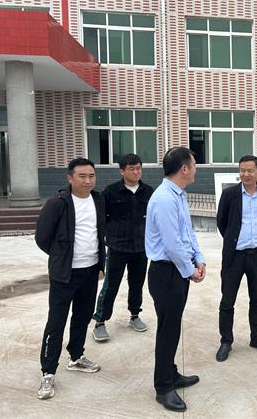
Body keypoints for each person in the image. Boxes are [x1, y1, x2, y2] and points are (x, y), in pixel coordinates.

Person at [35, 158, 106, 400]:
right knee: (56, 322)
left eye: (91, 176)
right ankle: (48, 372)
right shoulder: (58, 203)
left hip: (90, 271)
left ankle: (76, 356)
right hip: (64, 274)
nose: (87, 181)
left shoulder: (98, 200)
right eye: (82, 176)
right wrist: (61, 257)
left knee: (82, 316)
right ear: (69, 178)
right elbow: (42, 237)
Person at [145, 147, 206, 412]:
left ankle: (170, 374)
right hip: (166, 272)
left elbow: (187, 232)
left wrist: (199, 258)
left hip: (177, 271)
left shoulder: (178, 195)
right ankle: (163, 388)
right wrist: (189, 269)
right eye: (194, 164)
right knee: (167, 331)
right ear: (184, 168)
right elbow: (171, 244)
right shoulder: (164, 199)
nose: (196, 169)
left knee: (172, 327)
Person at [215, 155, 257, 362]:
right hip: (234, 256)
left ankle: (256, 337)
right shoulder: (229, 194)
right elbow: (222, 223)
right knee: (227, 300)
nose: (245, 174)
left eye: (250, 170)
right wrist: (234, 240)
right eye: (242, 170)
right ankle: (226, 340)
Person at [92, 154, 154, 341]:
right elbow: (101, 218)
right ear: (122, 171)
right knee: (111, 284)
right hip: (117, 246)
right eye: (131, 169)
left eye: (138, 168)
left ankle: (134, 315)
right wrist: (108, 236)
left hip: (140, 247)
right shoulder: (111, 192)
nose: (136, 172)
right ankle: (100, 321)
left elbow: (153, 218)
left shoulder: (148, 191)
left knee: (137, 283)